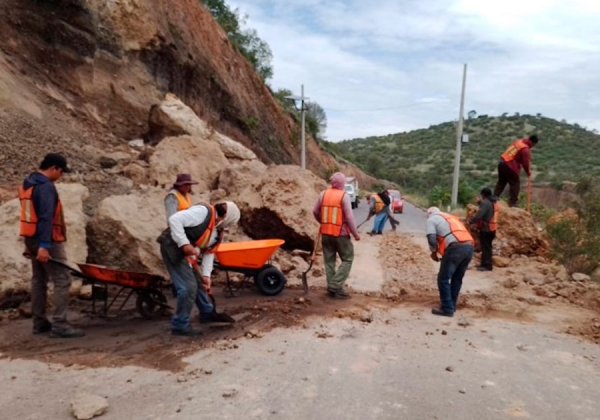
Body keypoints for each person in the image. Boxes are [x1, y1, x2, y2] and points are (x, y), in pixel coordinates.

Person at [19, 153, 84, 338]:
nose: (61, 176)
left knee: (38, 280)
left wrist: (28, 243)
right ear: (54, 168)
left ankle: (39, 322)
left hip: (31, 238)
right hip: (47, 240)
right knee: (62, 280)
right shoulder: (46, 187)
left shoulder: (28, 182)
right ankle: (60, 325)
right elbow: (46, 217)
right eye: (61, 172)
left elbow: (28, 214)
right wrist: (44, 246)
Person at [158, 201, 239, 336]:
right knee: (188, 287)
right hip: (171, 246)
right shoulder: (202, 212)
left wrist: (206, 275)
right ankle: (180, 324)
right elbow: (174, 219)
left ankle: (207, 313)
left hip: (185, 251)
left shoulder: (216, 230)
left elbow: (209, 252)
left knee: (199, 283)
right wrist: (184, 244)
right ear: (226, 217)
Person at [312, 172, 360, 299]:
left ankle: (332, 287)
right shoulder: (344, 196)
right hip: (341, 234)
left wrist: (321, 222)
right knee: (348, 259)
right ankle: (335, 285)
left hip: (326, 233)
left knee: (329, 261)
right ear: (343, 183)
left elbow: (315, 211)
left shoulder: (323, 194)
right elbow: (349, 217)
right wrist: (355, 234)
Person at [426, 207, 474, 317]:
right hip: (470, 246)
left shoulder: (431, 219)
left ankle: (447, 309)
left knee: (443, 278)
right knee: (457, 278)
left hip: (455, 248)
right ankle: (452, 305)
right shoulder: (451, 218)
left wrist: (434, 252)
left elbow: (431, 239)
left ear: (429, 214)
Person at [494, 135, 538, 207]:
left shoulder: (518, 142)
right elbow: (525, 163)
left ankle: (494, 198)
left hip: (501, 162)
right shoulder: (525, 149)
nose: (533, 146)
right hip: (510, 165)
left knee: (501, 182)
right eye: (534, 145)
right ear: (532, 143)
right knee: (515, 184)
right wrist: (528, 172)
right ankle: (512, 203)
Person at [469, 187, 499, 271]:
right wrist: (479, 202)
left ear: (483, 195)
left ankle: (487, 266)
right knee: (487, 247)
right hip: (492, 228)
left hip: (486, 229)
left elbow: (480, 214)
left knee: (486, 247)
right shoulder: (493, 202)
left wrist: (471, 221)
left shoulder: (486, 203)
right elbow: (487, 207)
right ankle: (484, 264)